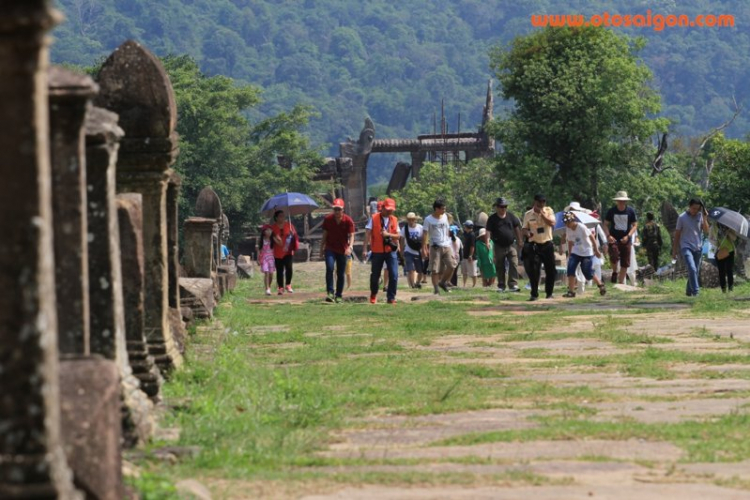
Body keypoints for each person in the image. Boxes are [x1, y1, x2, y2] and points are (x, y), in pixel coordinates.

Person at [364, 198, 400, 304]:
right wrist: (365, 249)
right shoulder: (374, 218)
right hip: (377, 251)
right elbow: (368, 233)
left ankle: (391, 297)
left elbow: (398, 236)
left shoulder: (394, 219)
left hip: (390, 251)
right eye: (388, 209)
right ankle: (373, 294)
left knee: (394, 274)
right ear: (383, 208)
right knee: (375, 275)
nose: (390, 211)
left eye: (391, 210)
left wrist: (388, 235)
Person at [562, 212, 607, 297]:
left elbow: (592, 237)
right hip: (576, 252)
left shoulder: (581, 227)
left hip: (586, 252)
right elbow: (570, 242)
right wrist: (570, 253)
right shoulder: (568, 229)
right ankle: (571, 291)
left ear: (573, 220)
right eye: (565, 222)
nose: (567, 224)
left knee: (587, 272)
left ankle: (600, 285)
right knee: (570, 269)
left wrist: (596, 250)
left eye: (568, 222)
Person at [522, 194, 556, 301]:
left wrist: (542, 214)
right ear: (535, 202)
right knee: (534, 270)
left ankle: (549, 293)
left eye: (543, 202)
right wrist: (528, 234)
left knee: (550, 270)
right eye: (539, 202)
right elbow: (524, 229)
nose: (541, 204)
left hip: (547, 244)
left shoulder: (549, 211)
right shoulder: (528, 214)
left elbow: (552, 223)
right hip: (535, 245)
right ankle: (534, 294)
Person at [672, 198, 710, 297]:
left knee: (695, 271)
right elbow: (677, 235)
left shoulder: (700, 216)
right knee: (692, 269)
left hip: (698, 247)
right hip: (686, 246)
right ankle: (696, 291)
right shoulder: (682, 218)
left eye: (697, 209)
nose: (695, 211)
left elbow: (706, 231)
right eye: (693, 208)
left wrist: (705, 218)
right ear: (689, 206)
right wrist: (674, 250)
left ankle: (689, 291)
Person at [321, 198, 355, 303]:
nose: (337, 212)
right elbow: (324, 234)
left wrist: (350, 247)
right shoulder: (328, 219)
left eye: (339, 209)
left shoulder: (348, 220)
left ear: (342, 210)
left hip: (342, 249)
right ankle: (330, 293)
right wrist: (321, 247)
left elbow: (352, 235)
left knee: (341, 273)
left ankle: (339, 294)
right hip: (330, 248)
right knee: (330, 268)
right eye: (335, 209)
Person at [486, 197, 523, 292]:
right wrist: (487, 241)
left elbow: (516, 228)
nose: (503, 209)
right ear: (497, 207)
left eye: (505, 206)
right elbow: (488, 231)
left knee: (514, 263)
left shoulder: (511, 216)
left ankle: (513, 284)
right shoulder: (492, 219)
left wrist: (519, 240)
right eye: (501, 206)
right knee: (500, 266)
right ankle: (501, 285)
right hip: (499, 246)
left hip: (511, 245)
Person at [422, 199, 457, 295]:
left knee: (452, 265)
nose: (444, 210)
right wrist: (424, 248)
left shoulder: (445, 217)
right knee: (435, 269)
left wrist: (452, 245)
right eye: (442, 209)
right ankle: (436, 289)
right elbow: (425, 234)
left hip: (447, 245)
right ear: (436, 209)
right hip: (435, 247)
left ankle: (442, 282)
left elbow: (447, 230)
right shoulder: (428, 219)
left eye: (445, 208)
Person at [603, 191, 638, 284]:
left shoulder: (630, 211)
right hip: (614, 238)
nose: (621, 202)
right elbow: (605, 224)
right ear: (617, 201)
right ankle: (614, 271)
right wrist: (608, 236)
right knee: (613, 255)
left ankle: (621, 283)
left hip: (626, 239)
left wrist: (628, 236)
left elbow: (635, 225)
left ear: (626, 201)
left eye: (623, 201)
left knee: (625, 262)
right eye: (619, 200)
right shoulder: (611, 211)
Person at [271, 210, 298, 295]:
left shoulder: (289, 225)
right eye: (280, 216)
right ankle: (280, 287)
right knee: (279, 270)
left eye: (283, 216)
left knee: (289, 268)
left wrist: (292, 234)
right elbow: (271, 238)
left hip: (288, 251)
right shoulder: (273, 228)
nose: (282, 218)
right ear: (276, 217)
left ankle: (288, 284)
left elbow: (295, 236)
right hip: (278, 252)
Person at [400, 212, 424, 289]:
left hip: (417, 251)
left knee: (420, 271)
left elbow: (424, 239)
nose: (411, 221)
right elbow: (402, 240)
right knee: (410, 269)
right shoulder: (405, 228)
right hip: (408, 251)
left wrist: (424, 249)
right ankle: (412, 285)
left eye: (412, 219)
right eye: (409, 220)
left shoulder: (420, 228)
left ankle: (417, 283)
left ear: (415, 220)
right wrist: (401, 251)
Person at [712, 223, 737, 293]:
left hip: (730, 251)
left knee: (729, 270)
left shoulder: (730, 227)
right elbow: (711, 238)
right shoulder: (714, 227)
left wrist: (728, 232)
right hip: (719, 252)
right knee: (721, 271)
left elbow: (734, 238)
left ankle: (730, 289)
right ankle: (723, 289)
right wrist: (716, 244)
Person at [258, 225, 276, 296]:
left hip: (271, 258)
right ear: (264, 232)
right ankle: (267, 288)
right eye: (267, 230)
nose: (269, 232)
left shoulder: (273, 240)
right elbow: (259, 250)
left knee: (271, 274)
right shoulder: (261, 240)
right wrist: (258, 259)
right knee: (266, 272)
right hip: (264, 258)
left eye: (270, 230)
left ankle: (269, 286)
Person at [460, 220, 478, 287]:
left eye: (465, 226)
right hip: (465, 255)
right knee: (464, 272)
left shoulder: (472, 235)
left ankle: (474, 285)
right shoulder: (466, 234)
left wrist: (470, 255)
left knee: (473, 272)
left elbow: (472, 246)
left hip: (470, 256)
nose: (464, 227)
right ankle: (464, 285)